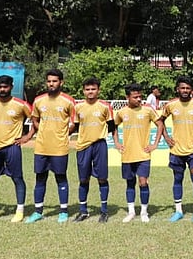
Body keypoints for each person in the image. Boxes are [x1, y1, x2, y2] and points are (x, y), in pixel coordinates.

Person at [0, 75, 32, 223]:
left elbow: (36, 120)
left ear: (11, 87)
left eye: (5, 87)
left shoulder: (21, 105)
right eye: (0, 87)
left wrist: (27, 137)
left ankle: (20, 211)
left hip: (12, 147)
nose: (2, 89)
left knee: (17, 178)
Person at [27, 69, 75, 223]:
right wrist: (42, 130)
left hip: (59, 147)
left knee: (61, 177)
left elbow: (73, 123)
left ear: (61, 82)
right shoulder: (39, 100)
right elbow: (34, 119)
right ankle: (38, 211)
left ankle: (63, 211)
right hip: (41, 146)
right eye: (49, 81)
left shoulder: (68, 101)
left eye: (54, 81)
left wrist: (62, 134)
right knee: (40, 178)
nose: (51, 84)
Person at [159, 76, 193, 222]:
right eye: (182, 88)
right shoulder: (171, 105)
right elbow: (160, 120)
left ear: (191, 90)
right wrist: (166, 137)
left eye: (188, 88)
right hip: (176, 150)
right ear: (177, 89)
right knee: (177, 179)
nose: (185, 90)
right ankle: (178, 211)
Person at [114, 83, 159, 222]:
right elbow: (113, 126)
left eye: (140, 96)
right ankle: (131, 212)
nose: (139, 99)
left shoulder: (148, 110)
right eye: (135, 97)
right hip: (127, 154)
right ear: (127, 97)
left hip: (143, 154)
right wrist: (117, 142)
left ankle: (144, 212)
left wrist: (155, 143)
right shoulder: (122, 112)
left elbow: (160, 124)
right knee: (130, 182)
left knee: (143, 181)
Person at [74, 77, 114, 222]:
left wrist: (99, 135)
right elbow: (76, 126)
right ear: (83, 91)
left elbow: (111, 125)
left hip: (99, 145)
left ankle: (104, 211)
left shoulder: (105, 106)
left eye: (93, 89)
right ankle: (83, 211)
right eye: (87, 89)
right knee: (83, 179)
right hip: (83, 147)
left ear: (98, 90)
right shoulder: (78, 107)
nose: (90, 92)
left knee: (102, 178)